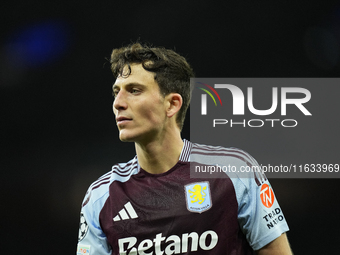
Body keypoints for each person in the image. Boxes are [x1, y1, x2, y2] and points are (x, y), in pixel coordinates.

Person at [76, 43, 293, 255]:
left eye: (134, 90)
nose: (118, 103)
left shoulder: (234, 171)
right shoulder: (101, 196)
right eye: (116, 92)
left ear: (172, 104)